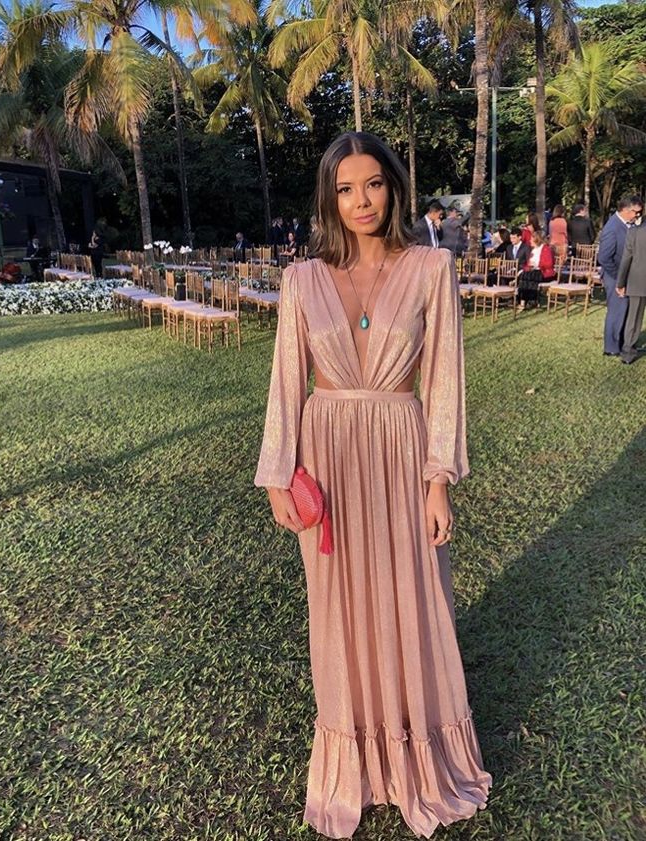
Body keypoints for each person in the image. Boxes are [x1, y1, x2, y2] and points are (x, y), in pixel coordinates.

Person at [255, 131, 491, 840]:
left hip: (399, 447)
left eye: (374, 184)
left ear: (394, 188)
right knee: (337, 607)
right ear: (330, 197)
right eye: (346, 187)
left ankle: (419, 758)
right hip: (324, 461)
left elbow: (444, 380)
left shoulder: (430, 266)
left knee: (412, 601)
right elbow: (285, 382)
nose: (361, 200)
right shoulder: (301, 279)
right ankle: (353, 761)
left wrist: (438, 481)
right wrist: (276, 473)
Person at [598, 194, 643, 356]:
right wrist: (619, 280)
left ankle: (622, 343)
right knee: (617, 311)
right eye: (635, 212)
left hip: (624, 276)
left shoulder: (626, 224)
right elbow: (604, 258)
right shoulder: (613, 227)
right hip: (614, 276)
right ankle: (611, 347)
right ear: (625, 210)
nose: (637, 216)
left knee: (624, 310)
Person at [616, 217, 646, 364]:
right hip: (639, 281)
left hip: (637, 281)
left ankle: (628, 353)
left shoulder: (634, 232)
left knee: (633, 318)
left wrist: (620, 282)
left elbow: (626, 259)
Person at [518, 229, 555, 310]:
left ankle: (532, 300)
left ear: (536, 240)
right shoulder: (533, 250)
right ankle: (524, 301)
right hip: (534, 271)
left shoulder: (546, 249)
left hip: (545, 273)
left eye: (531, 239)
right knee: (524, 275)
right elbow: (528, 264)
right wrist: (526, 268)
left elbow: (549, 264)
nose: (530, 240)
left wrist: (537, 265)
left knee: (530, 275)